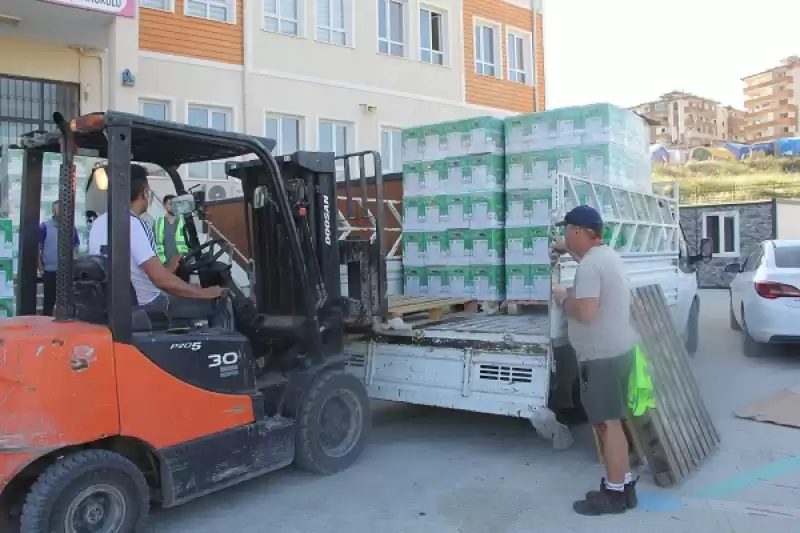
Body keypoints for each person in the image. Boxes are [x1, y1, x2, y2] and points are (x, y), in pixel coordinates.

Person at [551, 205, 640, 516]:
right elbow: (587, 266)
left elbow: (585, 312)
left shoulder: (590, 267)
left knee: (606, 424)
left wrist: (563, 297)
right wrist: (565, 251)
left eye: (566, 232)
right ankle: (623, 485)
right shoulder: (606, 257)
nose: (564, 237)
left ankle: (614, 495)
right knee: (613, 420)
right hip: (618, 351)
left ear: (577, 231)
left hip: (601, 357)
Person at [88, 164, 227, 324]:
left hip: (121, 301)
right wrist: (204, 292)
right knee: (222, 302)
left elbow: (141, 273)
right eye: (148, 189)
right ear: (143, 193)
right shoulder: (133, 224)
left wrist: (172, 264)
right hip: (148, 305)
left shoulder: (99, 222)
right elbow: (159, 280)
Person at [39, 201, 80, 316]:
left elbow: (76, 248)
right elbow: (38, 248)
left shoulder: (71, 228)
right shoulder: (44, 227)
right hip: (50, 271)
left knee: (68, 302)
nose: (61, 212)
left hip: (67, 272)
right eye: (58, 209)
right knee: (49, 302)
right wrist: (41, 268)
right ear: (53, 211)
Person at [154, 194, 190, 282]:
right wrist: (162, 262)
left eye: (175, 204)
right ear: (165, 206)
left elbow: (189, 241)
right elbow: (156, 243)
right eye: (170, 204)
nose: (173, 206)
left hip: (183, 263)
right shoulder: (159, 222)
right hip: (166, 265)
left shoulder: (183, 221)